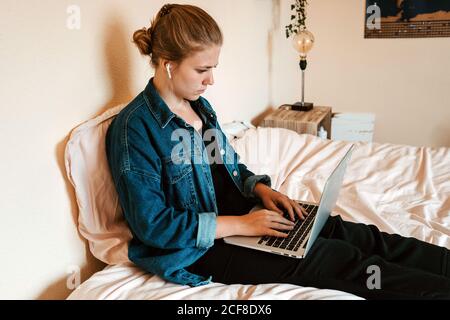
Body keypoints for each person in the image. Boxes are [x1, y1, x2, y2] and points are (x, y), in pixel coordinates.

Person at [105, 3, 450, 299]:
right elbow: (154, 226)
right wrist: (241, 224)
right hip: (201, 249)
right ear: (167, 64)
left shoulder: (200, 107)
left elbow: (229, 167)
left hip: (246, 216)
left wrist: (260, 189)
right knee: (347, 262)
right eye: (202, 70)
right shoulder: (134, 130)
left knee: (362, 236)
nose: (211, 80)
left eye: (213, 68)